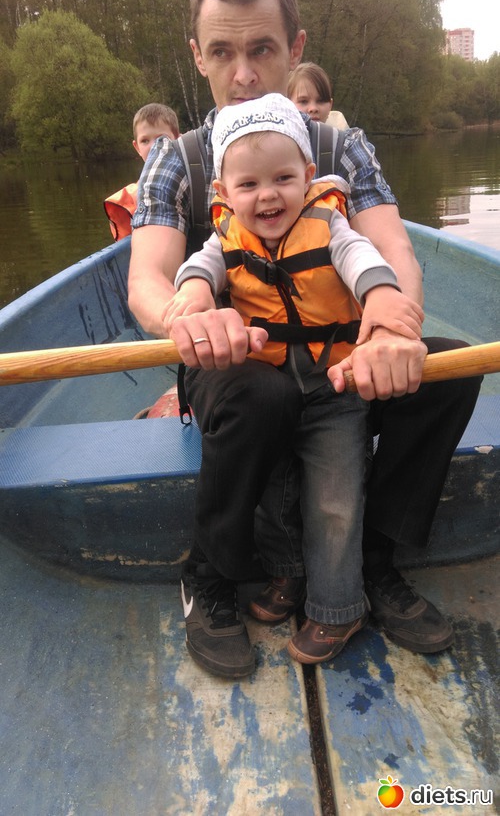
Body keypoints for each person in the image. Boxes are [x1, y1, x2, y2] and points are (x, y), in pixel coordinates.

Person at [128, 0, 481, 679]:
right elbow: (147, 280)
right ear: (198, 57)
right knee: (262, 394)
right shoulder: (176, 159)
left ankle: (372, 561)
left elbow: (392, 253)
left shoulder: (338, 149)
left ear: (294, 48)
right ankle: (211, 577)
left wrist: (391, 327)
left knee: (448, 371)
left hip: (335, 362)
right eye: (222, 52)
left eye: (262, 49)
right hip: (234, 367)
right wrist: (186, 315)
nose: (244, 74)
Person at [172, 93, 426, 668]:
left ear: (309, 176)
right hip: (275, 387)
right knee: (276, 489)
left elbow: (363, 258)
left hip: (335, 389)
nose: (268, 195)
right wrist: (192, 291)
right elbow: (199, 268)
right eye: (249, 184)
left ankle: (337, 608)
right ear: (224, 192)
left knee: (334, 499)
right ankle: (287, 575)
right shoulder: (223, 236)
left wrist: (383, 296)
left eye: (284, 179)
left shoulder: (328, 223)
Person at [104, 103, 180, 241]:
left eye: (161, 139)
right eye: (145, 141)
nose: (153, 146)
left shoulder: (194, 178)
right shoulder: (132, 199)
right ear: (137, 148)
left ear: (178, 140)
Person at [288, 62, 349, 130]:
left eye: (321, 101)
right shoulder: (280, 135)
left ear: (330, 105)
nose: (313, 108)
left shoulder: (342, 135)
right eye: (304, 101)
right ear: (287, 104)